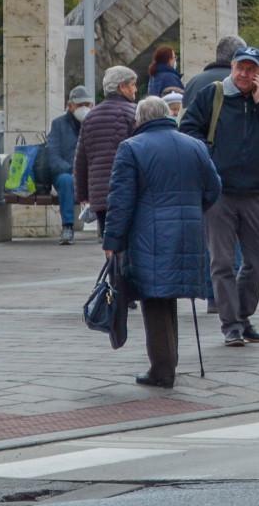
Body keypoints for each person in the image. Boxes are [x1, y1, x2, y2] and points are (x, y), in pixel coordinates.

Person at [102, 95, 220, 389]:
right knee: (166, 296)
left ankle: (162, 369)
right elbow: (214, 188)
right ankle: (168, 362)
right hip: (189, 232)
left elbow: (121, 201)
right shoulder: (195, 146)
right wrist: (193, 210)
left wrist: (112, 240)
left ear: (140, 119)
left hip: (148, 233)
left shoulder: (131, 148)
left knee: (154, 299)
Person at [179, 45, 259, 346]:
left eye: (251, 69)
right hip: (220, 193)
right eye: (241, 67)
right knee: (223, 262)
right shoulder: (213, 95)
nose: (245, 74)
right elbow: (187, 129)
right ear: (232, 67)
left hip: (255, 192)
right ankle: (230, 325)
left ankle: (243, 317)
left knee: (258, 260)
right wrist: (209, 155)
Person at [75, 67, 138, 233]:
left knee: (108, 243)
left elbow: (81, 159)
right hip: (128, 191)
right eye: (133, 85)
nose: (135, 89)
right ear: (122, 87)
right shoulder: (133, 113)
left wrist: (82, 194)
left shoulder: (91, 116)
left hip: (100, 195)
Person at [37, 86, 92, 244]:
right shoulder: (58, 124)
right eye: (80, 105)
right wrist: (73, 171)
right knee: (67, 181)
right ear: (70, 106)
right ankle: (67, 227)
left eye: (87, 105)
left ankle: (104, 228)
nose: (84, 108)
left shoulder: (93, 123)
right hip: (65, 172)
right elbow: (53, 156)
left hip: (89, 173)